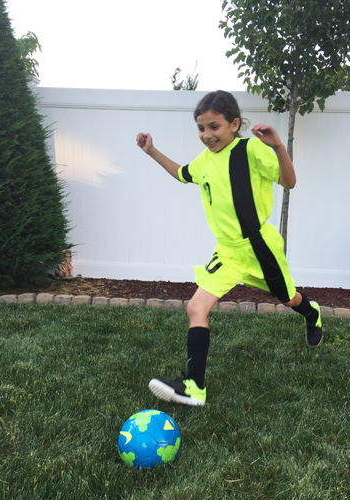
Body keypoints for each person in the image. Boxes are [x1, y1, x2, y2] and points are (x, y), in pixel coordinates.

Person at [136, 90, 322, 407]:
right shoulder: (205, 161)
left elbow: (289, 182)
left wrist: (277, 146)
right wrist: (152, 151)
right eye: (201, 128)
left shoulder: (251, 151)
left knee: (287, 298)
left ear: (234, 124)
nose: (207, 135)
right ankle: (195, 388)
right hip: (227, 252)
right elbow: (183, 174)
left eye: (214, 127)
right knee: (196, 308)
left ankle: (312, 312)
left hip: (259, 248)